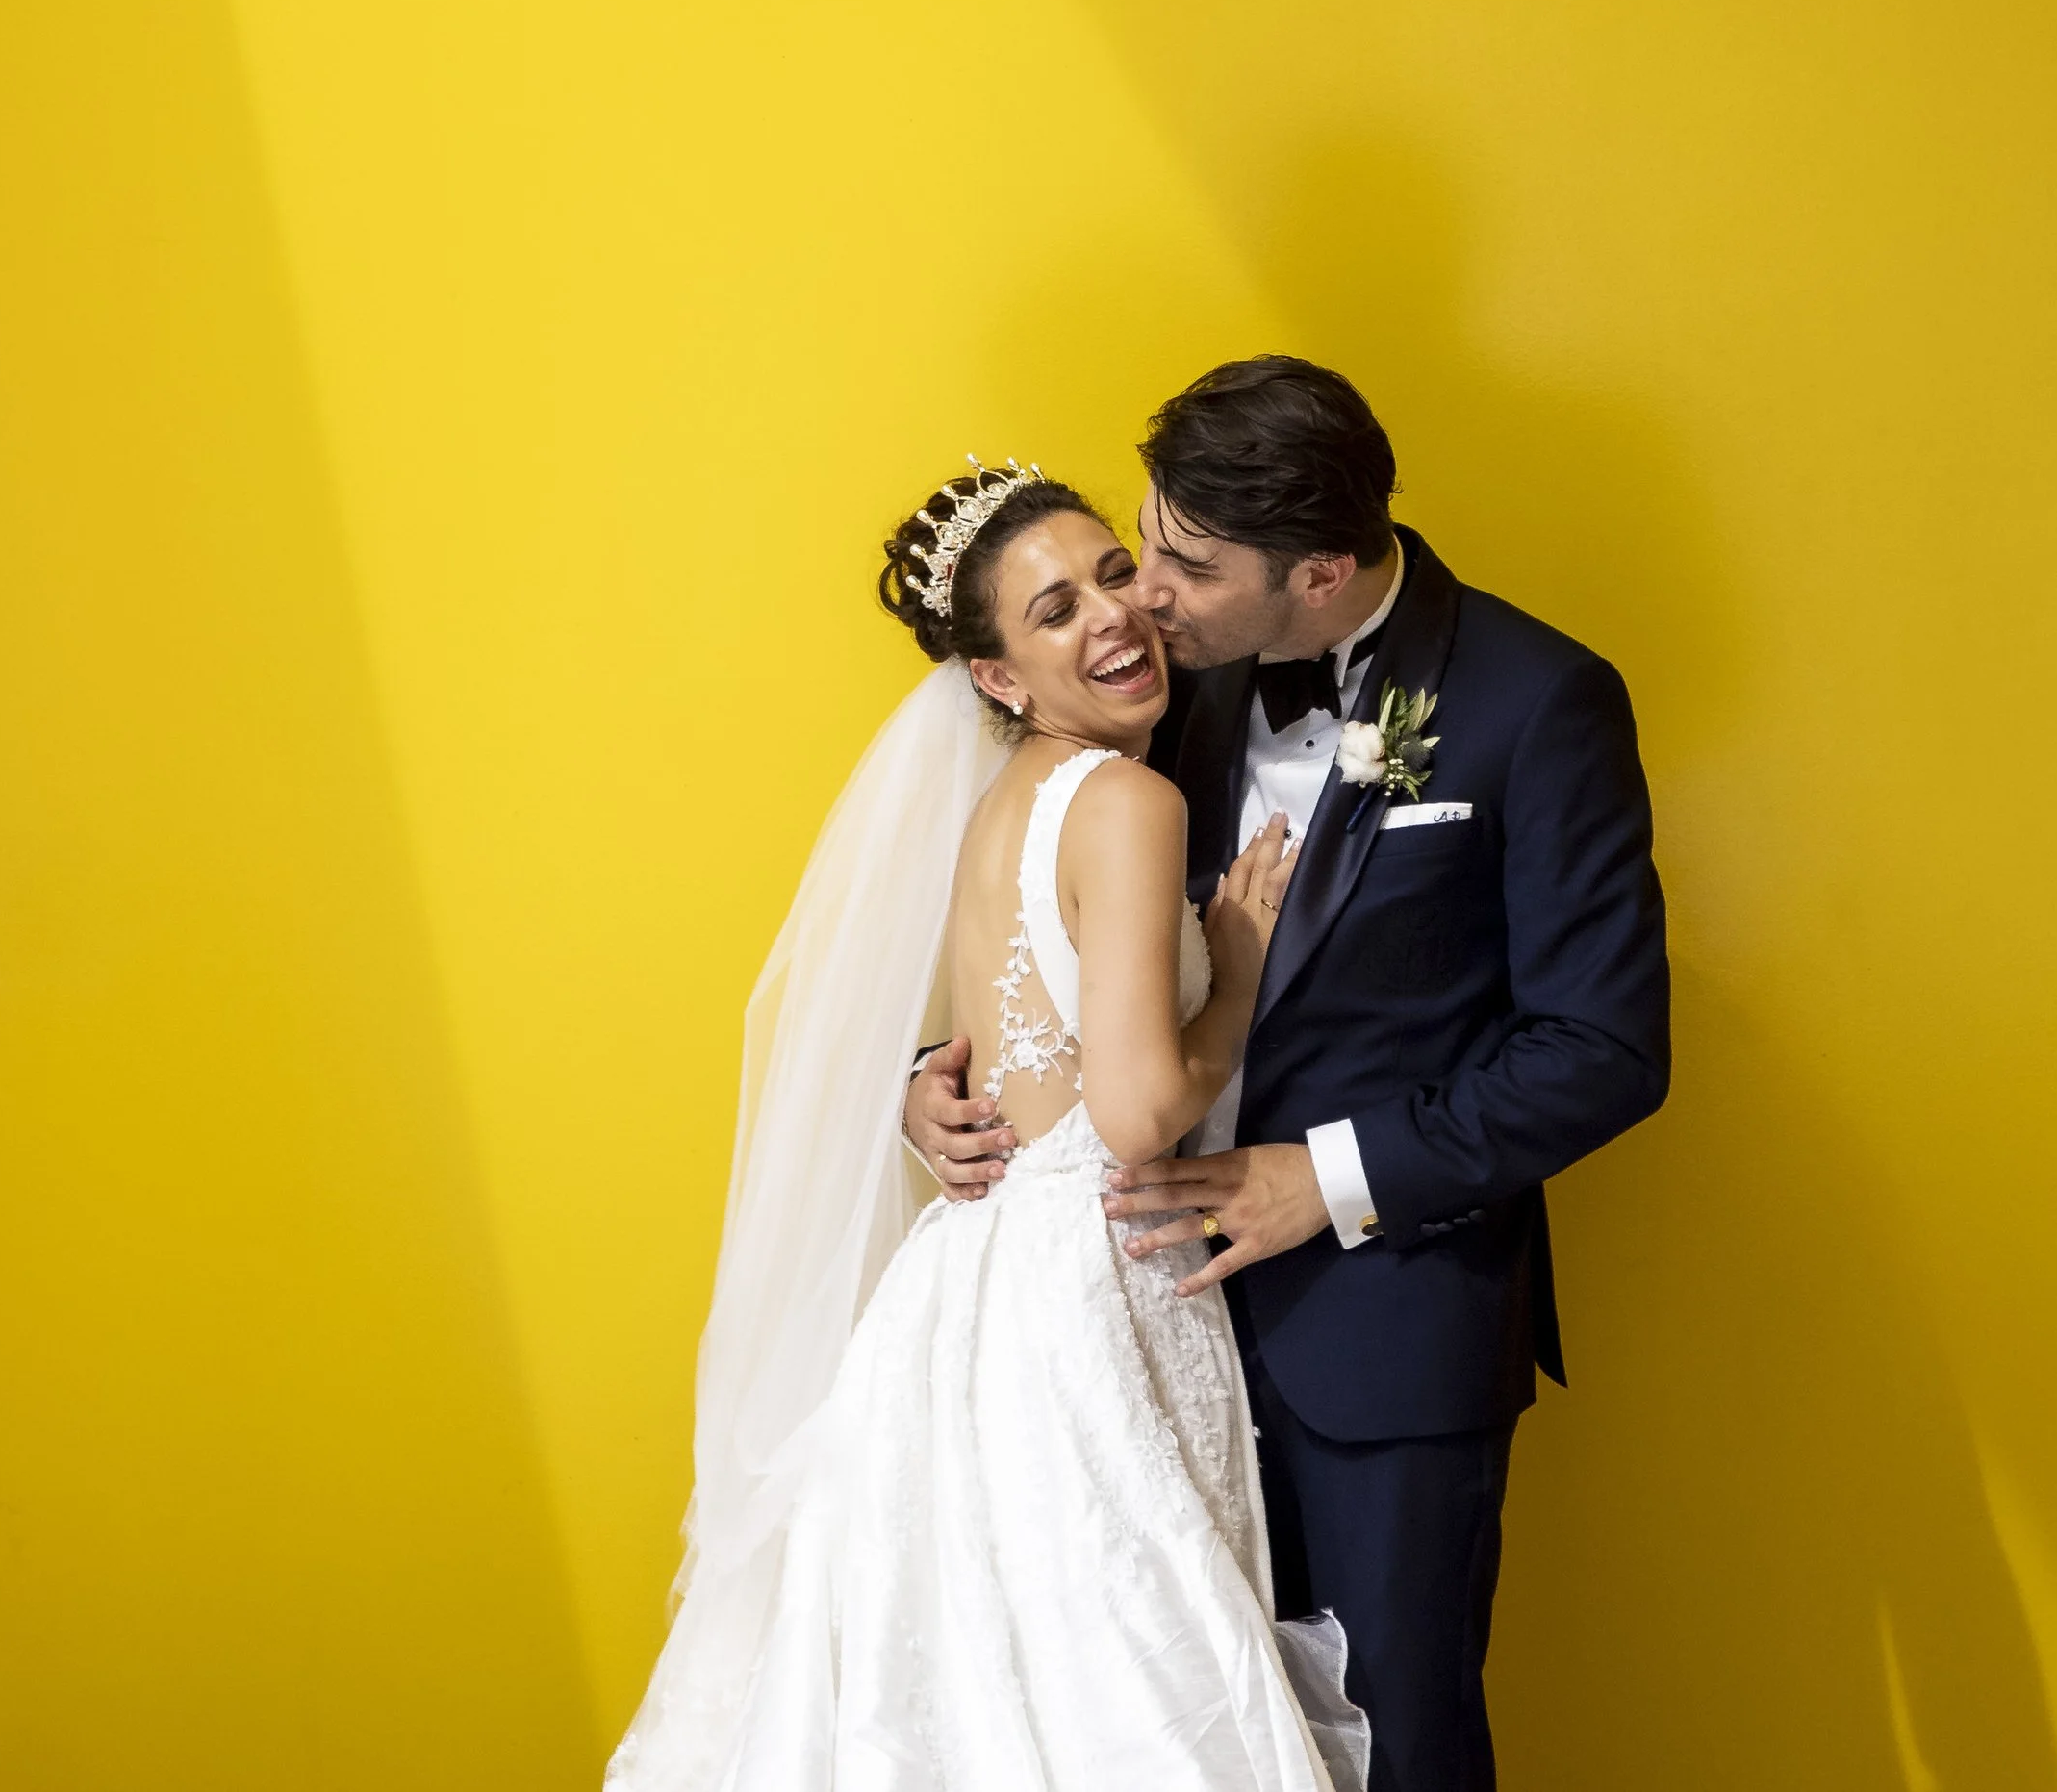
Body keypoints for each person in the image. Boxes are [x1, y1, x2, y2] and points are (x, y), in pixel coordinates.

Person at [908, 358, 1671, 1792]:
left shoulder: (1537, 699)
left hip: (1381, 1341)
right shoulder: (1154, 693)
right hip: (1122, 1335)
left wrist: (1323, 1177)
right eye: (1146, 539)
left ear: (1319, 575)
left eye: (1182, 565)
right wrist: (932, 1078)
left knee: (1393, 1744)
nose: (1145, 600)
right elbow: (1044, 923)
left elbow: (1605, 1047)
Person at [608, 460, 1369, 1792]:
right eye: (1056, 609)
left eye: (1114, 572)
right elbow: (1133, 1112)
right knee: (1115, 1691)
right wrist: (1236, 965)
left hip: (964, 1295)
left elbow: (1019, 1044)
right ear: (998, 675)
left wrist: (927, 1081)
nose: (1115, 618)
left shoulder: (995, 810)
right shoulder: (1130, 801)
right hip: (1094, 1286)